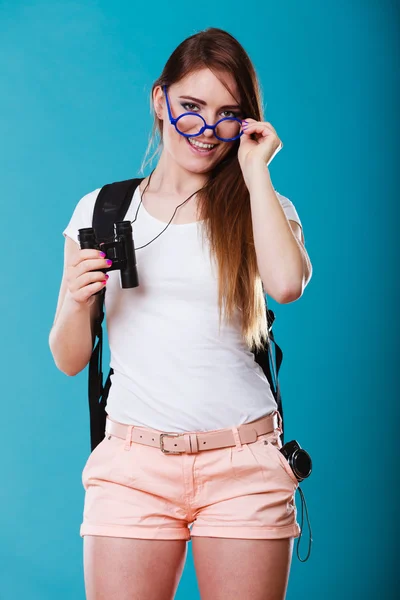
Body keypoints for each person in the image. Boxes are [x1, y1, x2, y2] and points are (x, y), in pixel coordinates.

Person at [49, 26, 312, 600]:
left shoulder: (260, 205)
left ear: (246, 124)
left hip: (243, 463)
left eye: (227, 114)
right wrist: (74, 299)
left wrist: (256, 171)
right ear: (158, 100)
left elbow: (288, 284)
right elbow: (70, 358)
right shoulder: (103, 210)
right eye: (190, 107)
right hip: (132, 467)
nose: (205, 129)